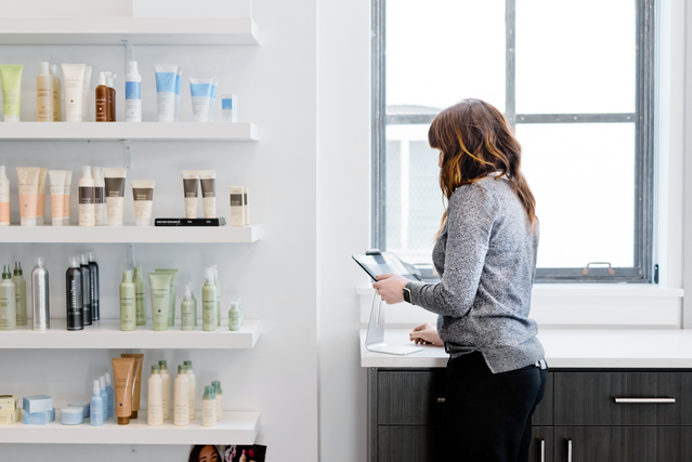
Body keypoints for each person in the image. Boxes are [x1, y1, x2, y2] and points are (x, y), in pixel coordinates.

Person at [372, 98, 547, 462]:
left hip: (489, 374)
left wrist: (403, 289)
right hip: (520, 367)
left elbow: (455, 297)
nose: (438, 161)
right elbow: (498, 291)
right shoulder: (513, 192)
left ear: (463, 148)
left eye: (442, 149)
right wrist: (450, 332)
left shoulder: (474, 195)